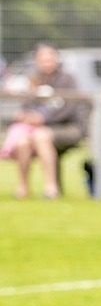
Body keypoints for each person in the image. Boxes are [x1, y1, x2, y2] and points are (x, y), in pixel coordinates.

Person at [4, 43, 86, 200]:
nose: (47, 62)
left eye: (50, 58)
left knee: (41, 136)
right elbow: (27, 105)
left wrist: (43, 119)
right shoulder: (33, 80)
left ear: (56, 59)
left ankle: (51, 187)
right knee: (22, 142)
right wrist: (26, 116)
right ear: (37, 60)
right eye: (43, 59)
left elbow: (69, 108)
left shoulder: (67, 79)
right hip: (36, 129)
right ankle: (23, 187)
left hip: (67, 127)